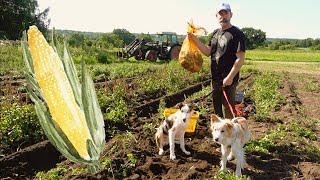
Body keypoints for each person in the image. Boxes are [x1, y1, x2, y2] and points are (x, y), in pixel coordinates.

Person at [188, 3, 246, 118]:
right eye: (220, 13)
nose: (223, 16)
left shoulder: (237, 34)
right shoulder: (215, 33)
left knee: (227, 108)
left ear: (231, 15)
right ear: (216, 16)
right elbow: (208, 51)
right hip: (215, 78)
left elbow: (240, 59)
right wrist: (195, 40)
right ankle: (219, 133)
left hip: (229, 79)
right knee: (217, 108)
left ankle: (229, 134)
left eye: (225, 13)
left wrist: (230, 77)